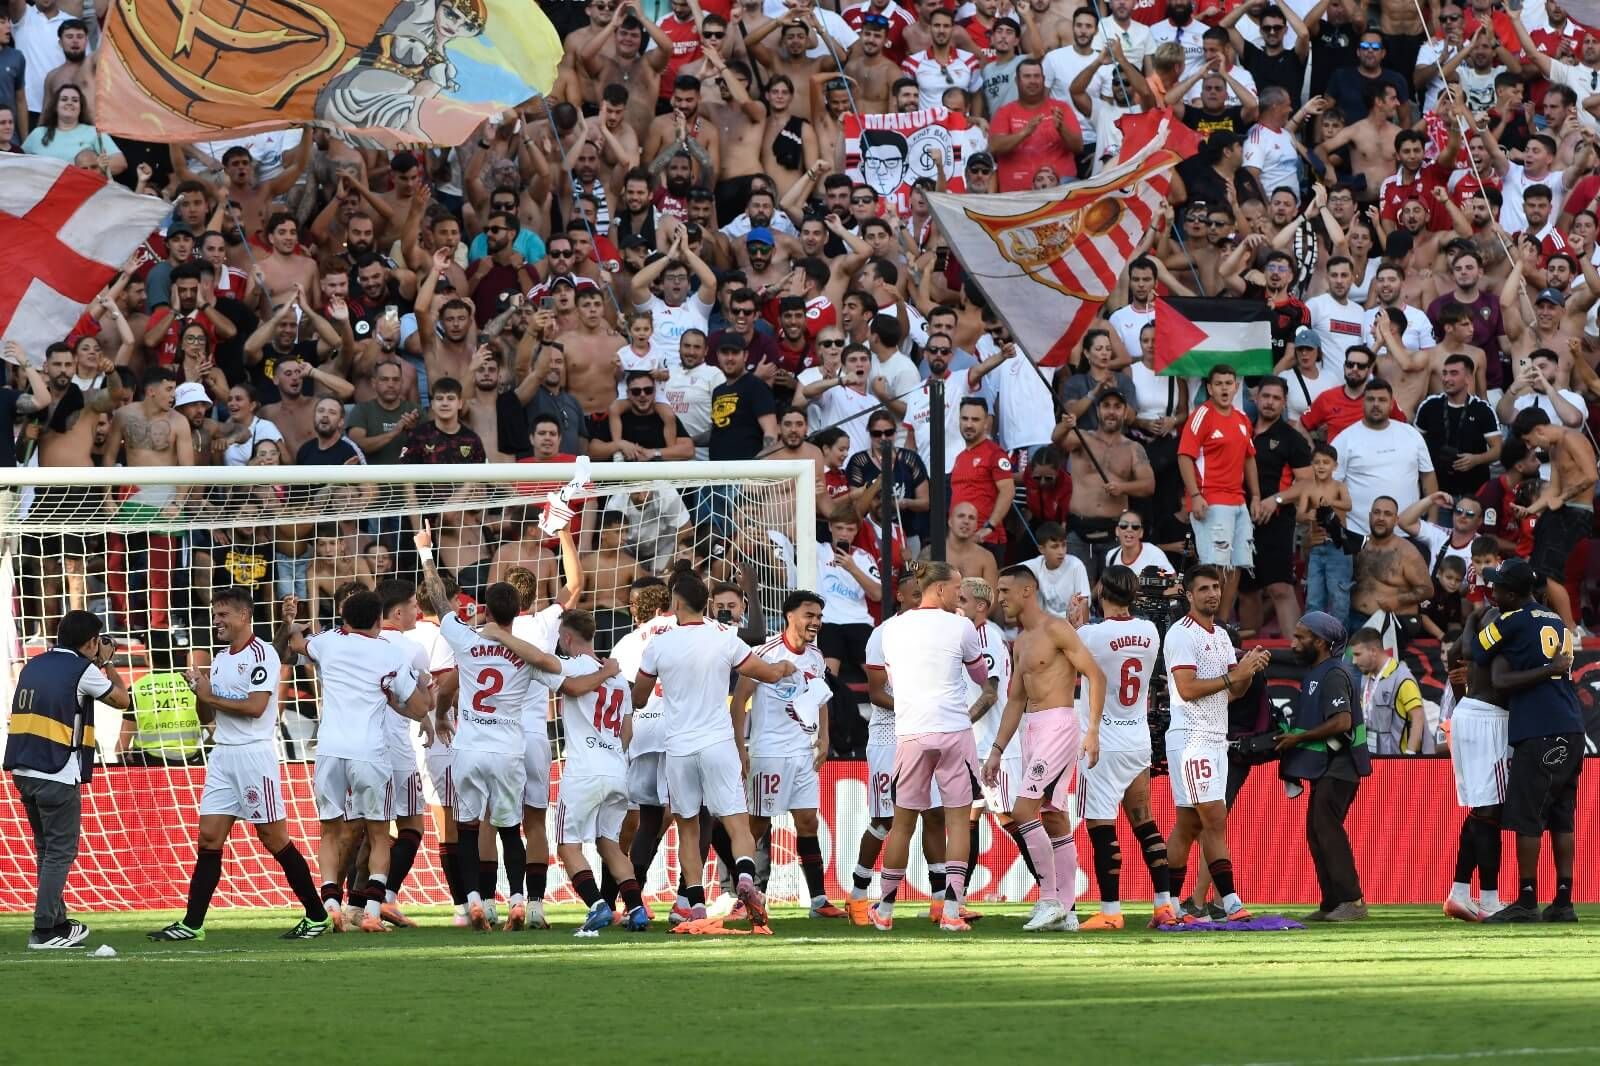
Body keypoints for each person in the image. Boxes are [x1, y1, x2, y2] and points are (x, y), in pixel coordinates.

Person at [631, 568, 796, 926]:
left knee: (687, 828)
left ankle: (697, 907)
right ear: (705, 603)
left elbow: (640, 699)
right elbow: (765, 673)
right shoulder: (724, 637)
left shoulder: (658, 643)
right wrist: (782, 666)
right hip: (719, 743)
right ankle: (747, 880)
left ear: (675, 601)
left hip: (679, 747)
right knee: (736, 823)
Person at [287, 588, 430, 933]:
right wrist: (403, 696)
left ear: (345, 619)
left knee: (330, 832)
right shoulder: (390, 654)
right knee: (380, 835)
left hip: (330, 751)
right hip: (370, 751)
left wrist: (291, 621)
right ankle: (371, 912)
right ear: (379, 621)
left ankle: (332, 905)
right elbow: (419, 708)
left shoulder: (329, 642)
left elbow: (295, 644)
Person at [864, 560, 991, 932]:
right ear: (939, 589)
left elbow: (889, 677)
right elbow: (980, 676)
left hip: (912, 732)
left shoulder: (892, 629)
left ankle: (885, 910)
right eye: (956, 589)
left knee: (901, 823)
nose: (961, 595)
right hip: (954, 730)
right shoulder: (962, 626)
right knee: (956, 822)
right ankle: (951, 911)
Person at [986, 562, 1105, 932]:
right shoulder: (1020, 641)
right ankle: (1067, 909)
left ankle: (1049, 898)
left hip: (1057, 724)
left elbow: (1095, 675)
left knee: (1024, 811)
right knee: (1053, 816)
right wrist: (996, 749)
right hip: (1032, 729)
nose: (999, 597)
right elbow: (1014, 700)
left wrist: (1093, 731)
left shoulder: (1056, 629)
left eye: (1005, 590)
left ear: (1027, 591)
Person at [4, 609, 130, 949]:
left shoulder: (35, 664)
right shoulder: (84, 669)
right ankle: (44, 930)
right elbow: (121, 700)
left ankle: (57, 922)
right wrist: (107, 663)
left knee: (46, 852)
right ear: (91, 642)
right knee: (60, 853)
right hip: (56, 770)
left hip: (22, 768)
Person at [1477, 559, 1585, 924]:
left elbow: (1476, 653)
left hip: (1539, 727)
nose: (1492, 593)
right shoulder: (1555, 618)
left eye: (1496, 588)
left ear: (1511, 593)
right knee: (1561, 815)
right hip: (1571, 726)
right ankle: (1564, 900)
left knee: (1527, 816)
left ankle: (1526, 899)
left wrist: (1490, 623)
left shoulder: (1508, 621)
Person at [1164, 565, 1272, 922]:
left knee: (1188, 825)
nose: (1212, 593)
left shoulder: (1223, 636)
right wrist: (1234, 674)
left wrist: (1248, 671)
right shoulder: (1181, 634)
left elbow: (1234, 692)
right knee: (1214, 817)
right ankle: (1230, 901)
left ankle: (1166, 903)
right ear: (1189, 595)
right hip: (1192, 736)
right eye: (1204, 588)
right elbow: (1187, 688)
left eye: (1216, 587)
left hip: (1215, 736)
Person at [533, 608, 651, 934]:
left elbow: (561, 682)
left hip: (583, 770)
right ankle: (637, 909)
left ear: (567, 638)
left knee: (568, 845)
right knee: (609, 843)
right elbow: (627, 733)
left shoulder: (572, 667)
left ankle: (598, 906)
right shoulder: (618, 679)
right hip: (617, 771)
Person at [1073, 565, 1175, 929]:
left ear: (1102, 592)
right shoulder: (1149, 631)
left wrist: (1077, 623)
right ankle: (1165, 905)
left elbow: (1073, 658)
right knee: (1144, 822)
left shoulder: (1089, 635)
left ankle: (1111, 911)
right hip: (1137, 738)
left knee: (1101, 826)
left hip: (1101, 740)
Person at [733, 590, 845, 918]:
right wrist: (742, 748)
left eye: (819, 617)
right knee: (757, 825)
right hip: (769, 752)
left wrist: (824, 738)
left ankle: (819, 901)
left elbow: (821, 697)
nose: (816, 622)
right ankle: (745, 899)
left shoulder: (815, 654)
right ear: (789, 616)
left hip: (803, 751)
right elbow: (739, 702)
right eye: (809, 615)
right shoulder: (763, 653)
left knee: (807, 821)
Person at [1277, 612, 1371, 923]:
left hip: (1340, 766)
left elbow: (1342, 721)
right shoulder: (1320, 671)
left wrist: (1300, 738)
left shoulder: (1332, 674)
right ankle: (1333, 901)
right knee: (1317, 832)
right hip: (1328, 766)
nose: (1293, 644)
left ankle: (1352, 901)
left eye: (1300, 637)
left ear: (1319, 642)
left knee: (1326, 830)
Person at [1442, 595, 1511, 922]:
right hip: (1491, 718)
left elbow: (1456, 655)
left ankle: (1459, 892)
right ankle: (1489, 899)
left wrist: (1471, 621)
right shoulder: (1507, 619)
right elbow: (1468, 654)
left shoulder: (1484, 616)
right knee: (1490, 812)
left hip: (1467, 711)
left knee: (1480, 811)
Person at [1178, 364, 1259, 621]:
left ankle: (1222, 625)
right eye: (1219, 383)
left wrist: (1255, 495)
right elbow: (1184, 456)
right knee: (1215, 566)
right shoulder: (1202, 414)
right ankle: (1206, 623)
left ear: (1236, 386)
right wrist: (1195, 495)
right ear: (1209, 388)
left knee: (1236, 566)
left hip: (1238, 501)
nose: (1225, 388)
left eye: (1229, 382)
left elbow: (1249, 458)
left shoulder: (1242, 419)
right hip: (1211, 499)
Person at [1348, 627, 1426, 755]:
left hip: (1395, 764)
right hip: (1371, 760)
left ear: (1373, 651)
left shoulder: (1402, 678)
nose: (1354, 661)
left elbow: (1418, 717)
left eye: (1357, 654)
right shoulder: (1365, 678)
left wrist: (1410, 757)